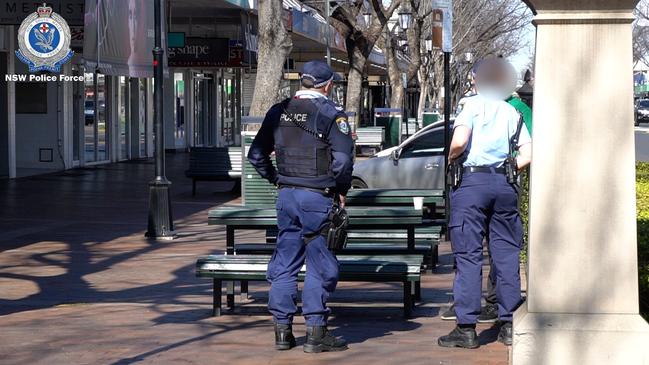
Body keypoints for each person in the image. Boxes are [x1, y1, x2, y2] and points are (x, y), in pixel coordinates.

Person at [247, 60, 354, 353]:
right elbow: (343, 161)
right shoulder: (332, 114)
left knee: (285, 262)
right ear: (328, 85)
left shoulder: (278, 111)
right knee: (319, 264)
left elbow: (256, 155)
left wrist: (276, 179)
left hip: (287, 198)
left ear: (302, 81)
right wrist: (340, 190)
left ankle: (282, 332)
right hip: (317, 197)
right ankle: (316, 332)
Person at [437, 58, 532, 349]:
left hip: (472, 184)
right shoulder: (511, 111)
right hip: (504, 185)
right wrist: (507, 169)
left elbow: (459, 142)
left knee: (468, 256)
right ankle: (507, 324)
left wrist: (452, 158)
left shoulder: (472, 107)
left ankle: (466, 328)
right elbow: (528, 154)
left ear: (477, 80)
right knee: (505, 256)